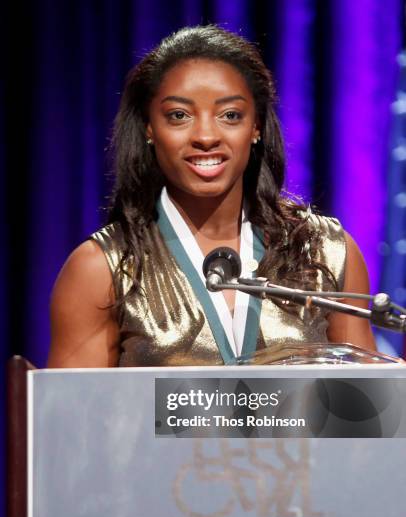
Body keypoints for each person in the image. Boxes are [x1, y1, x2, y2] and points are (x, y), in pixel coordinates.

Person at [47, 25, 376, 368]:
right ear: (149, 128)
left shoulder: (325, 251)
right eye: (179, 116)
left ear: (256, 127)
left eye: (230, 115)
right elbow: (73, 416)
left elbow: (371, 409)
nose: (206, 135)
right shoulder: (103, 268)